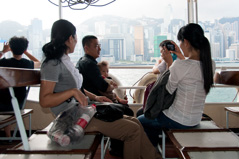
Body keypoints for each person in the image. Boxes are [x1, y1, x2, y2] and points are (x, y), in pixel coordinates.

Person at [40, 19, 160, 159]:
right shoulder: (52, 63)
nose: (76, 41)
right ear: (70, 38)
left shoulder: (65, 59)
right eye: (76, 37)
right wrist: (72, 92)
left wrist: (96, 98)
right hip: (71, 119)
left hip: (83, 110)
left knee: (136, 122)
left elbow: (78, 89)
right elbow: (44, 100)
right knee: (132, 131)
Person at [138, 23, 215, 147]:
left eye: (180, 41)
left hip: (177, 120)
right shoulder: (210, 64)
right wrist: (180, 55)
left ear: (186, 42)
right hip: (195, 119)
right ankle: (154, 148)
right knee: (144, 113)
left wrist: (170, 63)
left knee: (140, 120)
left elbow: (168, 90)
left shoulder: (180, 65)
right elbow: (190, 69)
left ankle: (152, 152)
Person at [0, 36, 41, 137]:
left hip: (2, 103)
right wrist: (25, 52)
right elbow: (39, 63)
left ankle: (8, 136)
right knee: (11, 97)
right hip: (18, 103)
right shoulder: (27, 64)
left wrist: (3, 51)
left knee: (6, 94)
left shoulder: (4, 62)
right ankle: (9, 136)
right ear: (24, 49)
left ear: (11, 48)